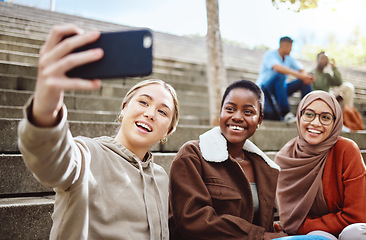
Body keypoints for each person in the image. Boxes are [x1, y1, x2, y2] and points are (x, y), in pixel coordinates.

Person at [17, 24, 179, 239]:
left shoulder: (160, 177)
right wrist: (46, 110)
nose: (150, 113)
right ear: (124, 109)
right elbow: (51, 161)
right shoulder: (86, 154)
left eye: (162, 111)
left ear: (168, 131)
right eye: (143, 102)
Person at [169, 80, 287, 240]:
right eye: (230, 109)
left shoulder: (265, 168)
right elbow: (192, 219)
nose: (237, 117)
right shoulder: (192, 155)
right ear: (221, 113)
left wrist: (271, 229)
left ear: (259, 120)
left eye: (248, 112)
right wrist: (260, 235)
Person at [274, 91, 366, 240]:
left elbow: (355, 217)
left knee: (352, 233)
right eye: (309, 114)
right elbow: (289, 219)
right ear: (299, 116)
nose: (316, 123)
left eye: (325, 117)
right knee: (315, 238)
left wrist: (301, 227)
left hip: (359, 229)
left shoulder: (346, 150)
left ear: (335, 123)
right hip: (318, 232)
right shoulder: (286, 158)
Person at [256, 36, 315, 124]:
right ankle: (286, 113)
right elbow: (277, 68)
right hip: (265, 88)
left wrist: (308, 76)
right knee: (280, 75)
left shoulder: (289, 58)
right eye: (290, 47)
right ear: (283, 45)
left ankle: (308, 112)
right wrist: (301, 76)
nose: (291, 50)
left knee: (303, 81)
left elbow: (301, 69)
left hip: (280, 89)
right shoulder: (270, 55)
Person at [312, 52, 363, 131]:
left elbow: (339, 82)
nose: (324, 61)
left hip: (330, 96)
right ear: (317, 60)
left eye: (326, 59)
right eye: (322, 58)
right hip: (319, 98)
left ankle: (347, 119)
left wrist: (333, 67)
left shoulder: (327, 75)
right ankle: (342, 122)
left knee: (348, 87)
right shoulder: (311, 73)